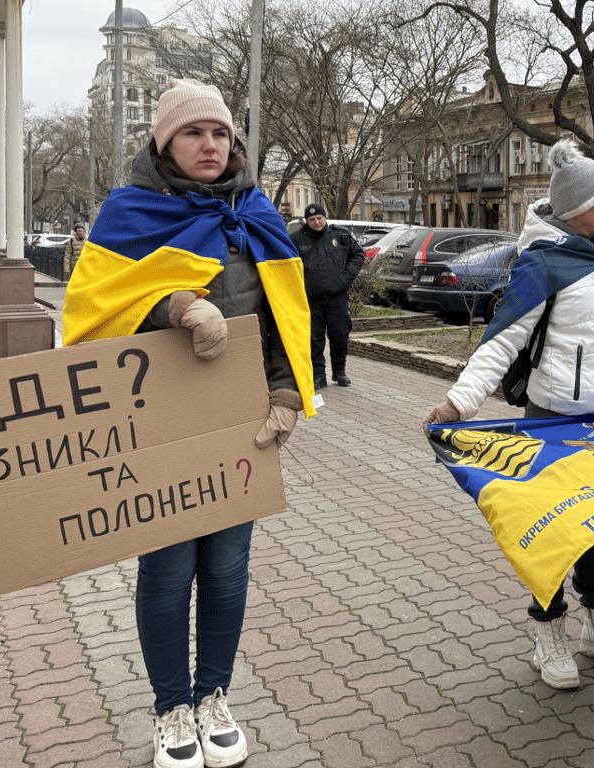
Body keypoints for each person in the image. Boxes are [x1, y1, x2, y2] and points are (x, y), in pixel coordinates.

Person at [62, 79, 314, 768]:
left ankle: (214, 698)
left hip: (243, 422)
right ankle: (172, 709)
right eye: (193, 133)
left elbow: (282, 322)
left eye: (221, 133)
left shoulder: (258, 212)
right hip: (159, 426)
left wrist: (287, 393)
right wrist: (172, 307)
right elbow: (89, 319)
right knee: (169, 571)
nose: (210, 144)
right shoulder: (129, 212)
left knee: (229, 571)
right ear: (164, 141)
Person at [422, 139, 594, 690]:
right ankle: (549, 632)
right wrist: (458, 403)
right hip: (554, 421)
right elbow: (501, 342)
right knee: (552, 530)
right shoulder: (543, 264)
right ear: (577, 207)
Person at [291, 202, 364, 388]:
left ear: (325, 218)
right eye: (312, 219)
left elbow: (357, 256)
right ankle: (318, 376)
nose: (316, 222)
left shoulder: (340, 236)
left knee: (339, 335)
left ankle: (339, 372)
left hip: (337, 297)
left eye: (319, 218)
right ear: (306, 221)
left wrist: (347, 277)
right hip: (311, 299)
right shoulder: (296, 239)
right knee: (314, 339)